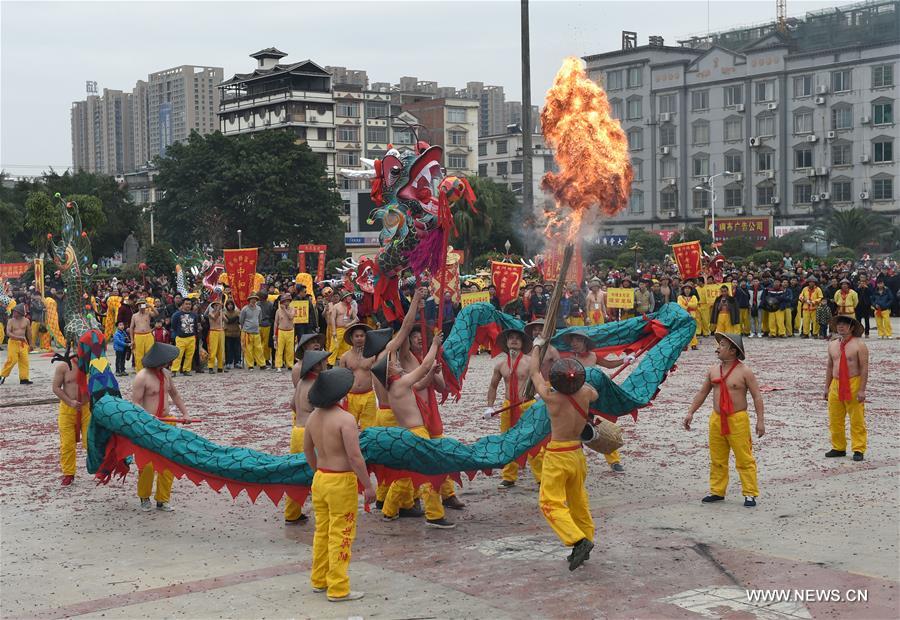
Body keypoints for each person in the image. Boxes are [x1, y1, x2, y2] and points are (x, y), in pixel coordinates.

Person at [304, 368, 376, 602]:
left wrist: (317, 471)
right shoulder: (345, 419)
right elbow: (355, 457)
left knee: (322, 531)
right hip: (341, 481)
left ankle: (319, 579)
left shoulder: (313, 417)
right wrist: (367, 485)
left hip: (321, 478)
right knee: (341, 533)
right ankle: (338, 587)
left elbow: (307, 449)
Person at [373, 332, 455, 528]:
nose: (397, 363)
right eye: (393, 363)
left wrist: (431, 372)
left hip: (405, 434)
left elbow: (422, 382)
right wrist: (434, 344)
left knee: (403, 476)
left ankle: (389, 510)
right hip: (417, 432)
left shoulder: (398, 385)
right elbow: (424, 365)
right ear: (389, 371)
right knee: (429, 475)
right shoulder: (401, 383)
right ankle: (434, 515)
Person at [527, 344, 597, 571]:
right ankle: (586, 537)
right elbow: (594, 392)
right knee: (578, 500)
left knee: (549, 502)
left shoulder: (550, 397)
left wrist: (537, 349)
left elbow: (534, 373)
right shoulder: (586, 392)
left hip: (557, 455)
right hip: (577, 453)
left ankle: (578, 540)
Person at [682, 333, 764, 507]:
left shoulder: (745, 371)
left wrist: (760, 421)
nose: (717, 348)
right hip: (717, 418)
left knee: (744, 457)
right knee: (717, 457)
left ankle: (750, 493)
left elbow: (757, 396)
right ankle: (717, 491)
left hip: (737, 419)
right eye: (719, 344)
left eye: (723, 345)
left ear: (733, 351)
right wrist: (691, 412)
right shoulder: (713, 370)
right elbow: (702, 393)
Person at [132, 343, 190, 512]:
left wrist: (185, 414)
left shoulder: (166, 374)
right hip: (148, 424)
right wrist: (145, 416)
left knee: (168, 463)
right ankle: (144, 497)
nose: (168, 363)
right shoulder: (141, 377)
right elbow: (135, 404)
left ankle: (162, 499)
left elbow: (175, 394)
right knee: (147, 465)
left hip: (168, 422)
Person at [486, 328, 540, 488]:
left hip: (527, 404)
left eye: (518, 338)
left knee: (532, 441)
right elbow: (493, 386)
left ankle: (541, 477)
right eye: (511, 338)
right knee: (508, 441)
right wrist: (489, 407)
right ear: (507, 342)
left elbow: (539, 379)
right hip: (508, 406)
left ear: (522, 343)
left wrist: (538, 394)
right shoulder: (501, 365)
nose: (514, 340)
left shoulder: (530, 362)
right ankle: (509, 476)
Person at [285, 349, 331, 525]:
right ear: (317, 366)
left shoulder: (302, 382)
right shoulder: (316, 385)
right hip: (309, 434)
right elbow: (320, 411)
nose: (326, 364)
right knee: (318, 472)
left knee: (295, 472)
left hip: (297, 431)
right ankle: (323, 511)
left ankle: (292, 512)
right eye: (324, 362)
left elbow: (292, 404)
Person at [824, 315, 869, 461]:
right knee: (835, 417)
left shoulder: (859, 345)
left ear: (852, 327)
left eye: (844, 324)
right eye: (839, 324)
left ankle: (858, 448)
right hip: (836, 383)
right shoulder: (832, 344)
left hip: (853, 382)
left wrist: (862, 389)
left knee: (856, 418)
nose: (840, 326)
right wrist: (826, 387)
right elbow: (830, 366)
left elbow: (864, 368)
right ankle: (838, 447)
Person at [51, 354, 90, 485]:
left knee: (89, 441)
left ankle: (98, 467)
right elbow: (55, 387)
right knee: (67, 443)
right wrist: (70, 402)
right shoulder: (63, 366)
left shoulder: (93, 365)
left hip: (87, 408)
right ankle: (68, 473)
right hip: (67, 409)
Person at [338, 322, 377, 428]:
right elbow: (341, 378)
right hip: (351, 396)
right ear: (351, 338)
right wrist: (342, 395)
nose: (359, 338)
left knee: (369, 428)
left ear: (366, 337)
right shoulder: (345, 357)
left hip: (369, 395)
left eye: (362, 336)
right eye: (356, 336)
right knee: (349, 427)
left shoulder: (373, 356)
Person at [0, 306, 32, 385]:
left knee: (24, 360)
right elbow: (8, 333)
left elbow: (29, 333)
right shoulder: (10, 321)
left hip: (23, 344)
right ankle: (2, 376)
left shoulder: (26, 321)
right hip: (13, 342)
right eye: (13, 311)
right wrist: (18, 337)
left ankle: (24, 378)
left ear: (20, 313)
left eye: (15, 312)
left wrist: (31, 344)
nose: (13, 313)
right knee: (12, 359)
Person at [170, 299, 200, 376]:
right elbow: (173, 325)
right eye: (186, 304)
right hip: (180, 338)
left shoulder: (194, 315)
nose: (188, 306)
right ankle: (174, 370)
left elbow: (195, 326)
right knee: (178, 355)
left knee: (189, 355)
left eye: (189, 304)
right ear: (182, 305)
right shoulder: (177, 315)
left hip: (191, 338)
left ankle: (186, 370)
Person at [328, 291, 358, 366]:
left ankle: (344, 362)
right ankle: (330, 363)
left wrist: (349, 324)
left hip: (347, 329)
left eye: (351, 297)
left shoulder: (351, 307)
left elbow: (356, 319)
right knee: (334, 346)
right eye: (349, 296)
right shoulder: (337, 306)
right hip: (338, 329)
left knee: (347, 347)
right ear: (344, 298)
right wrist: (334, 331)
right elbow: (332, 318)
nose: (350, 298)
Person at [129, 301, 158, 373]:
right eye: (140, 305)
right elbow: (131, 328)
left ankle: (150, 370)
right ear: (137, 307)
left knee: (150, 354)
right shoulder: (134, 316)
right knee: (138, 355)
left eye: (143, 305)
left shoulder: (148, 313)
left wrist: (150, 306)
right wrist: (132, 340)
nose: (141, 307)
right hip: (138, 336)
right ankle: (140, 371)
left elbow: (157, 314)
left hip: (148, 335)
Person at [240, 293, 266, 370]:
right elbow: (241, 320)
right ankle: (250, 365)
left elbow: (260, 318)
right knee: (248, 349)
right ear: (249, 300)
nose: (253, 300)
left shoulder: (259, 308)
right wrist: (244, 327)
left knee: (259, 348)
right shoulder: (245, 309)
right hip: (247, 332)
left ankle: (262, 364)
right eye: (252, 299)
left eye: (255, 299)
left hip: (256, 331)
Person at [273, 294, 297, 372]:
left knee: (290, 349)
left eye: (287, 301)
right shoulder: (278, 311)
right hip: (281, 331)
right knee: (279, 349)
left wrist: (285, 310)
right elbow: (276, 322)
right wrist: (274, 334)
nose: (286, 303)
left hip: (290, 331)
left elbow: (290, 317)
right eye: (284, 301)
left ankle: (290, 365)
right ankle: (278, 365)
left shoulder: (293, 309)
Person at [677, 284, 700, 350]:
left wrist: (686, 304)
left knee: (693, 330)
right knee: (684, 330)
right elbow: (680, 305)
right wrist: (689, 306)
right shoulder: (680, 297)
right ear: (683, 290)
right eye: (685, 288)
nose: (687, 290)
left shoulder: (694, 297)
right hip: (683, 315)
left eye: (689, 288)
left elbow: (695, 305)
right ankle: (684, 345)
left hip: (692, 315)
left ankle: (694, 344)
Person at [206, 297, 225, 373]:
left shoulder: (221, 312)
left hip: (221, 332)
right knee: (213, 350)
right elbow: (214, 318)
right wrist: (218, 310)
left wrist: (223, 312)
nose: (218, 306)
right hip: (213, 332)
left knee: (221, 350)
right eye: (216, 305)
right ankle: (211, 367)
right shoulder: (210, 313)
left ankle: (220, 367)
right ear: (213, 306)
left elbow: (226, 320)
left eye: (218, 305)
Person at [223, 299, 242, 369]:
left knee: (237, 348)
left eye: (231, 304)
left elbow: (239, 321)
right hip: (228, 333)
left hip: (236, 332)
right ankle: (229, 362)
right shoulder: (224, 313)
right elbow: (228, 321)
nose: (230, 306)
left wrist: (239, 316)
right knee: (228, 348)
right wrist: (236, 317)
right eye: (228, 305)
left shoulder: (237, 312)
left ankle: (238, 361)